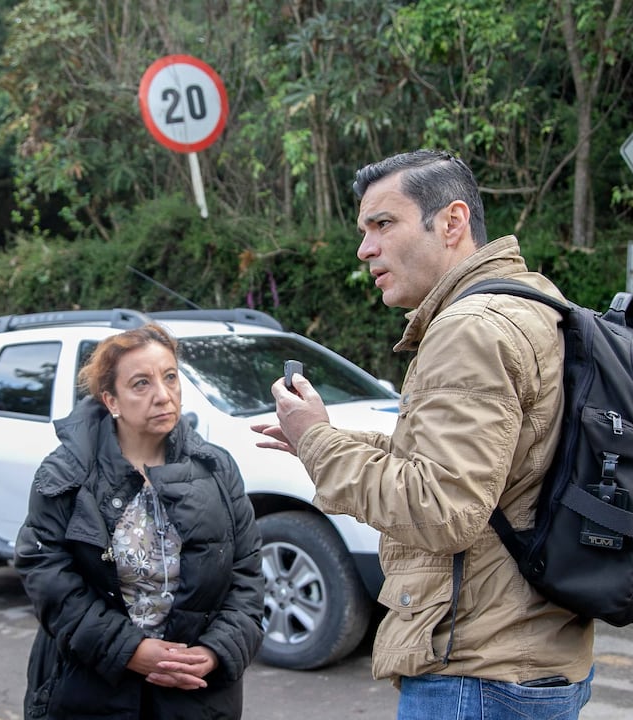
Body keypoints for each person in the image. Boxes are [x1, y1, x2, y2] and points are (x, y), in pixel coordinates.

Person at [251, 150, 594, 719]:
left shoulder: (470, 329)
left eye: (383, 224)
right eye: (364, 231)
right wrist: (324, 438)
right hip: (534, 653)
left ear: (452, 221)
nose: (365, 249)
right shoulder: (533, 302)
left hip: (476, 673)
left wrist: (318, 445)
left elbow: (443, 508)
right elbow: (485, 470)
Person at [13, 323, 264, 719]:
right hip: (91, 691)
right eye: (141, 384)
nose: (163, 396)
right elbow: (47, 578)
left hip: (196, 695)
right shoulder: (65, 473)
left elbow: (246, 574)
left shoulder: (216, 468)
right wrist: (128, 650)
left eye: (170, 378)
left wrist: (215, 652)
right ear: (111, 400)